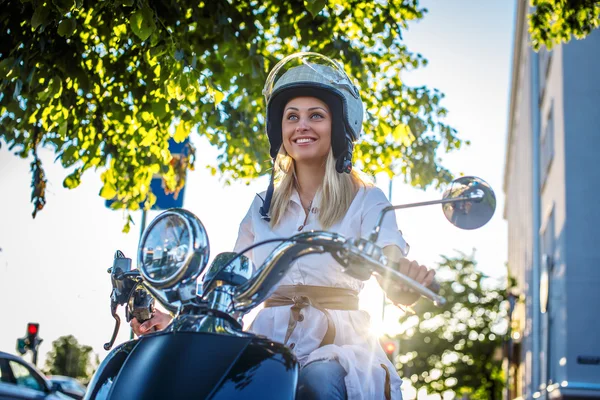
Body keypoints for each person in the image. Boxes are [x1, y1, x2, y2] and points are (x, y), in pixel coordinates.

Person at [132, 53, 436, 400]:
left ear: (340, 127)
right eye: (292, 117)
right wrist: (173, 318)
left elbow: (391, 267)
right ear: (281, 129)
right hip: (266, 346)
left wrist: (405, 281)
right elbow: (228, 284)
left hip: (339, 348)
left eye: (316, 116)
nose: (301, 126)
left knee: (316, 382)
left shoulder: (366, 199)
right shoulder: (261, 207)